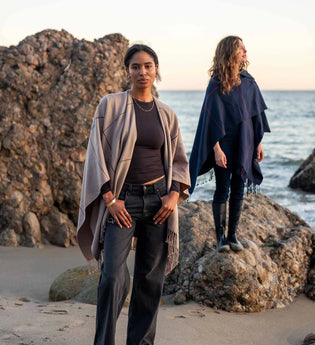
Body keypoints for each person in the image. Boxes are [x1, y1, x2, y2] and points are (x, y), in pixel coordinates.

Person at [77, 44, 190, 345]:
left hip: (159, 202)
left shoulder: (166, 114)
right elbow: (96, 154)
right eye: (136, 66)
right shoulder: (110, 105)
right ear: (126, 70)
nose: (143, 72)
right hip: (122, 201)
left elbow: (179, 161)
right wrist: (109, 198)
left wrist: (173, 196)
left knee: (150, 280)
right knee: (112, 276)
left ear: (156, 70)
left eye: (148, 66)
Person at [189, 35, 270, 253]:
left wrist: (259, 144)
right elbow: (210, 119)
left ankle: (233, 235)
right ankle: (220, 238)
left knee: (238, 189)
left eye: (245, 49)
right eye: (241, 49)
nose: (245, 52)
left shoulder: (249, 81)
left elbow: (255, 115)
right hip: (223, 144)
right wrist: (215, 149)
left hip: (245, 142)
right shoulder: (216, 83)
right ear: (229, 52)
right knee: (222, 189)